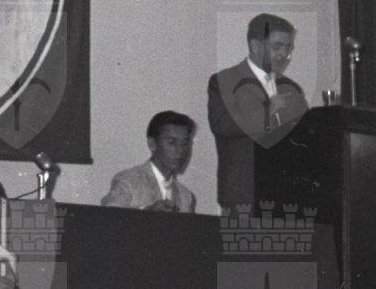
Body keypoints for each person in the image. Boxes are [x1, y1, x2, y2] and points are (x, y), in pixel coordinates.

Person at [207, 14, 309, 211]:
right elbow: (222, 125)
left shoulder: (292, 89)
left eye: (288, 47)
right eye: (277, 46)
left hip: (287, 194)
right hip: (244, 195)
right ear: (255, 45)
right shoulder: (225, 81)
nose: (284, 54)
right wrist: (267, 110)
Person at [101, 111, 198, 212]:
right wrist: (147, 212)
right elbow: (109, 215)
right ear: (152, 144)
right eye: (172, 143)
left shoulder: (185, 196)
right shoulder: (129, 181)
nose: (180, 150)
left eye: (184, 143)